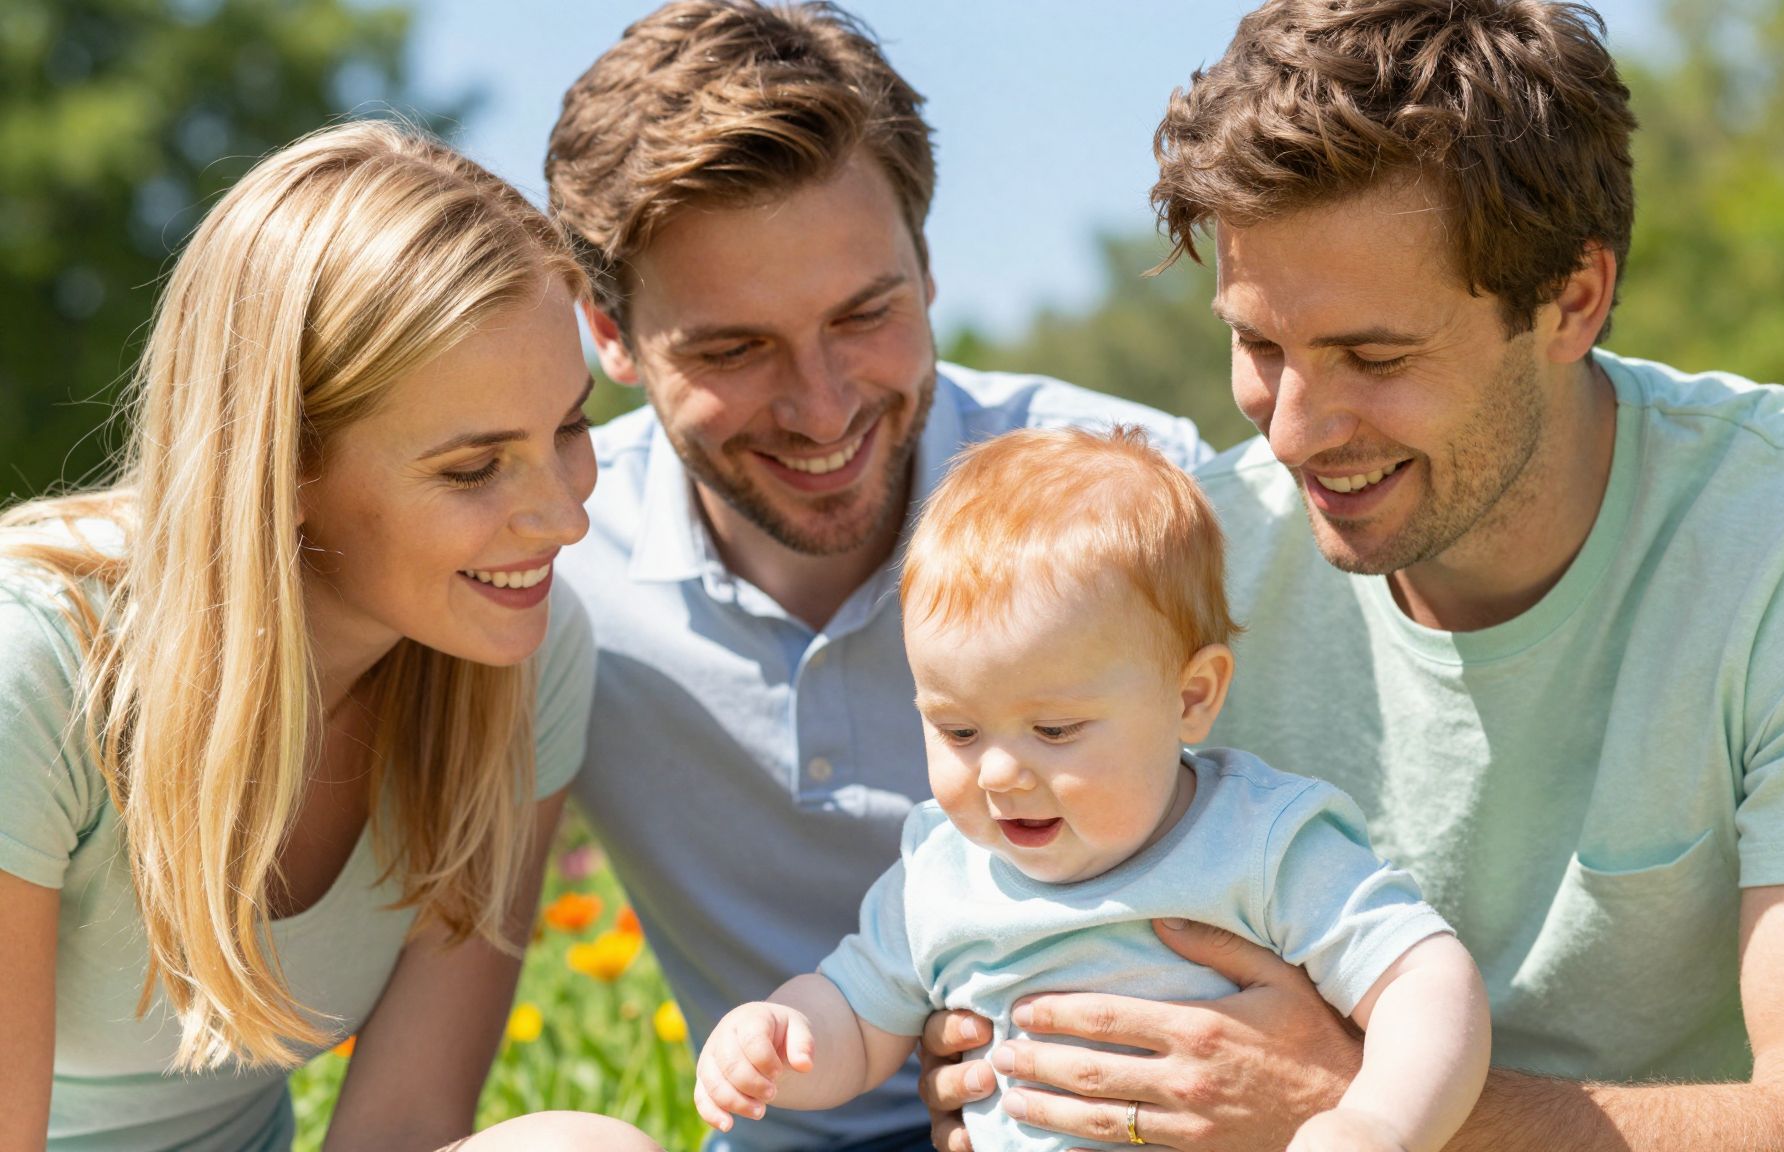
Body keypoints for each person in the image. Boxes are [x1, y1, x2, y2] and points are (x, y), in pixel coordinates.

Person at [915, 2, 1784, 1150]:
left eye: (1373, 356)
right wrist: (1015, 1065)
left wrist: (1346, 1100)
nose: (1292, 431)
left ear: (1572, 300)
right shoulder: (1186, 576)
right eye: (1260, 345)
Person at [544, 5, 1210, 1150]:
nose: (821, 409)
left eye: (865, 314)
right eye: (732, 349)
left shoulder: (1144, 496)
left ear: (927, 268)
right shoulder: (553, 558)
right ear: (609, 332)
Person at [0, 121, 659, 1152]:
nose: (565, 520)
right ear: (282, 465)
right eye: (473, 469)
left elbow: (403, 1124)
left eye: (568, 428)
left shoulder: (521, 652)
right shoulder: (35, 664)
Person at [691, 427, 1490, 1152]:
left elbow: (1424, 980)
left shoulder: (1259, 841)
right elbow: (856, 1021)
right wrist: (781, 1035)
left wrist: (1376, 1122)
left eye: (1054, 730)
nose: (998, 773)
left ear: (1191, 698)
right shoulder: (941, 874)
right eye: (958, 731)